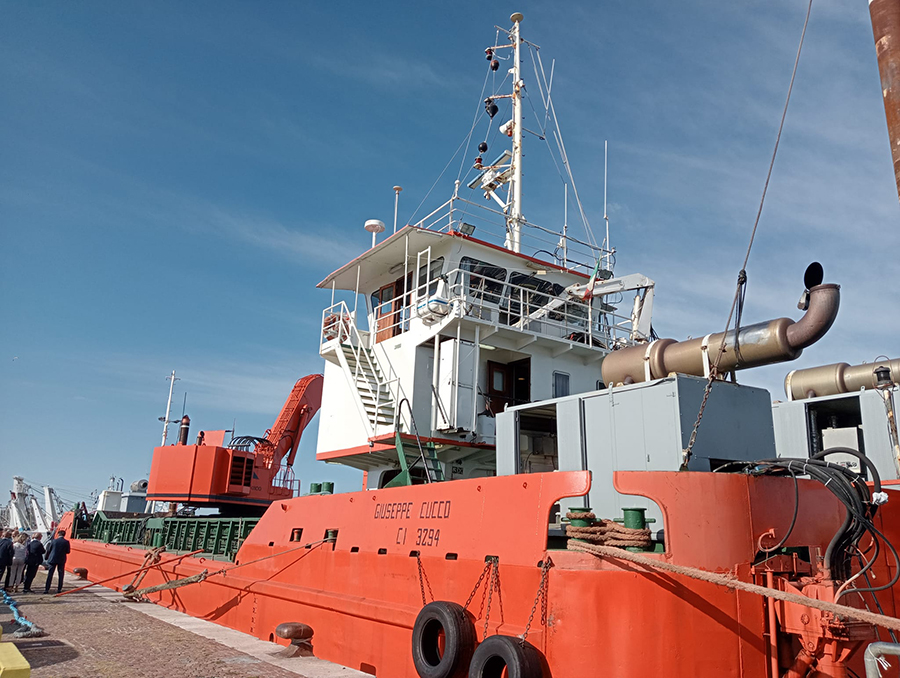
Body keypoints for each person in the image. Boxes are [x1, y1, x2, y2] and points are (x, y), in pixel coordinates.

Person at [44, 529, 71, 595]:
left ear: (58, 534)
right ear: (64, 535)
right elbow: (68, 551)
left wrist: (46, 557)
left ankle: (47, 589)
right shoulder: (66, 542)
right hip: (61, 559)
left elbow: (49, 549)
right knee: (61, 574)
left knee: (50, 574)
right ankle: (59, 588)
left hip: (52, 559)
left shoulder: (53, 541)